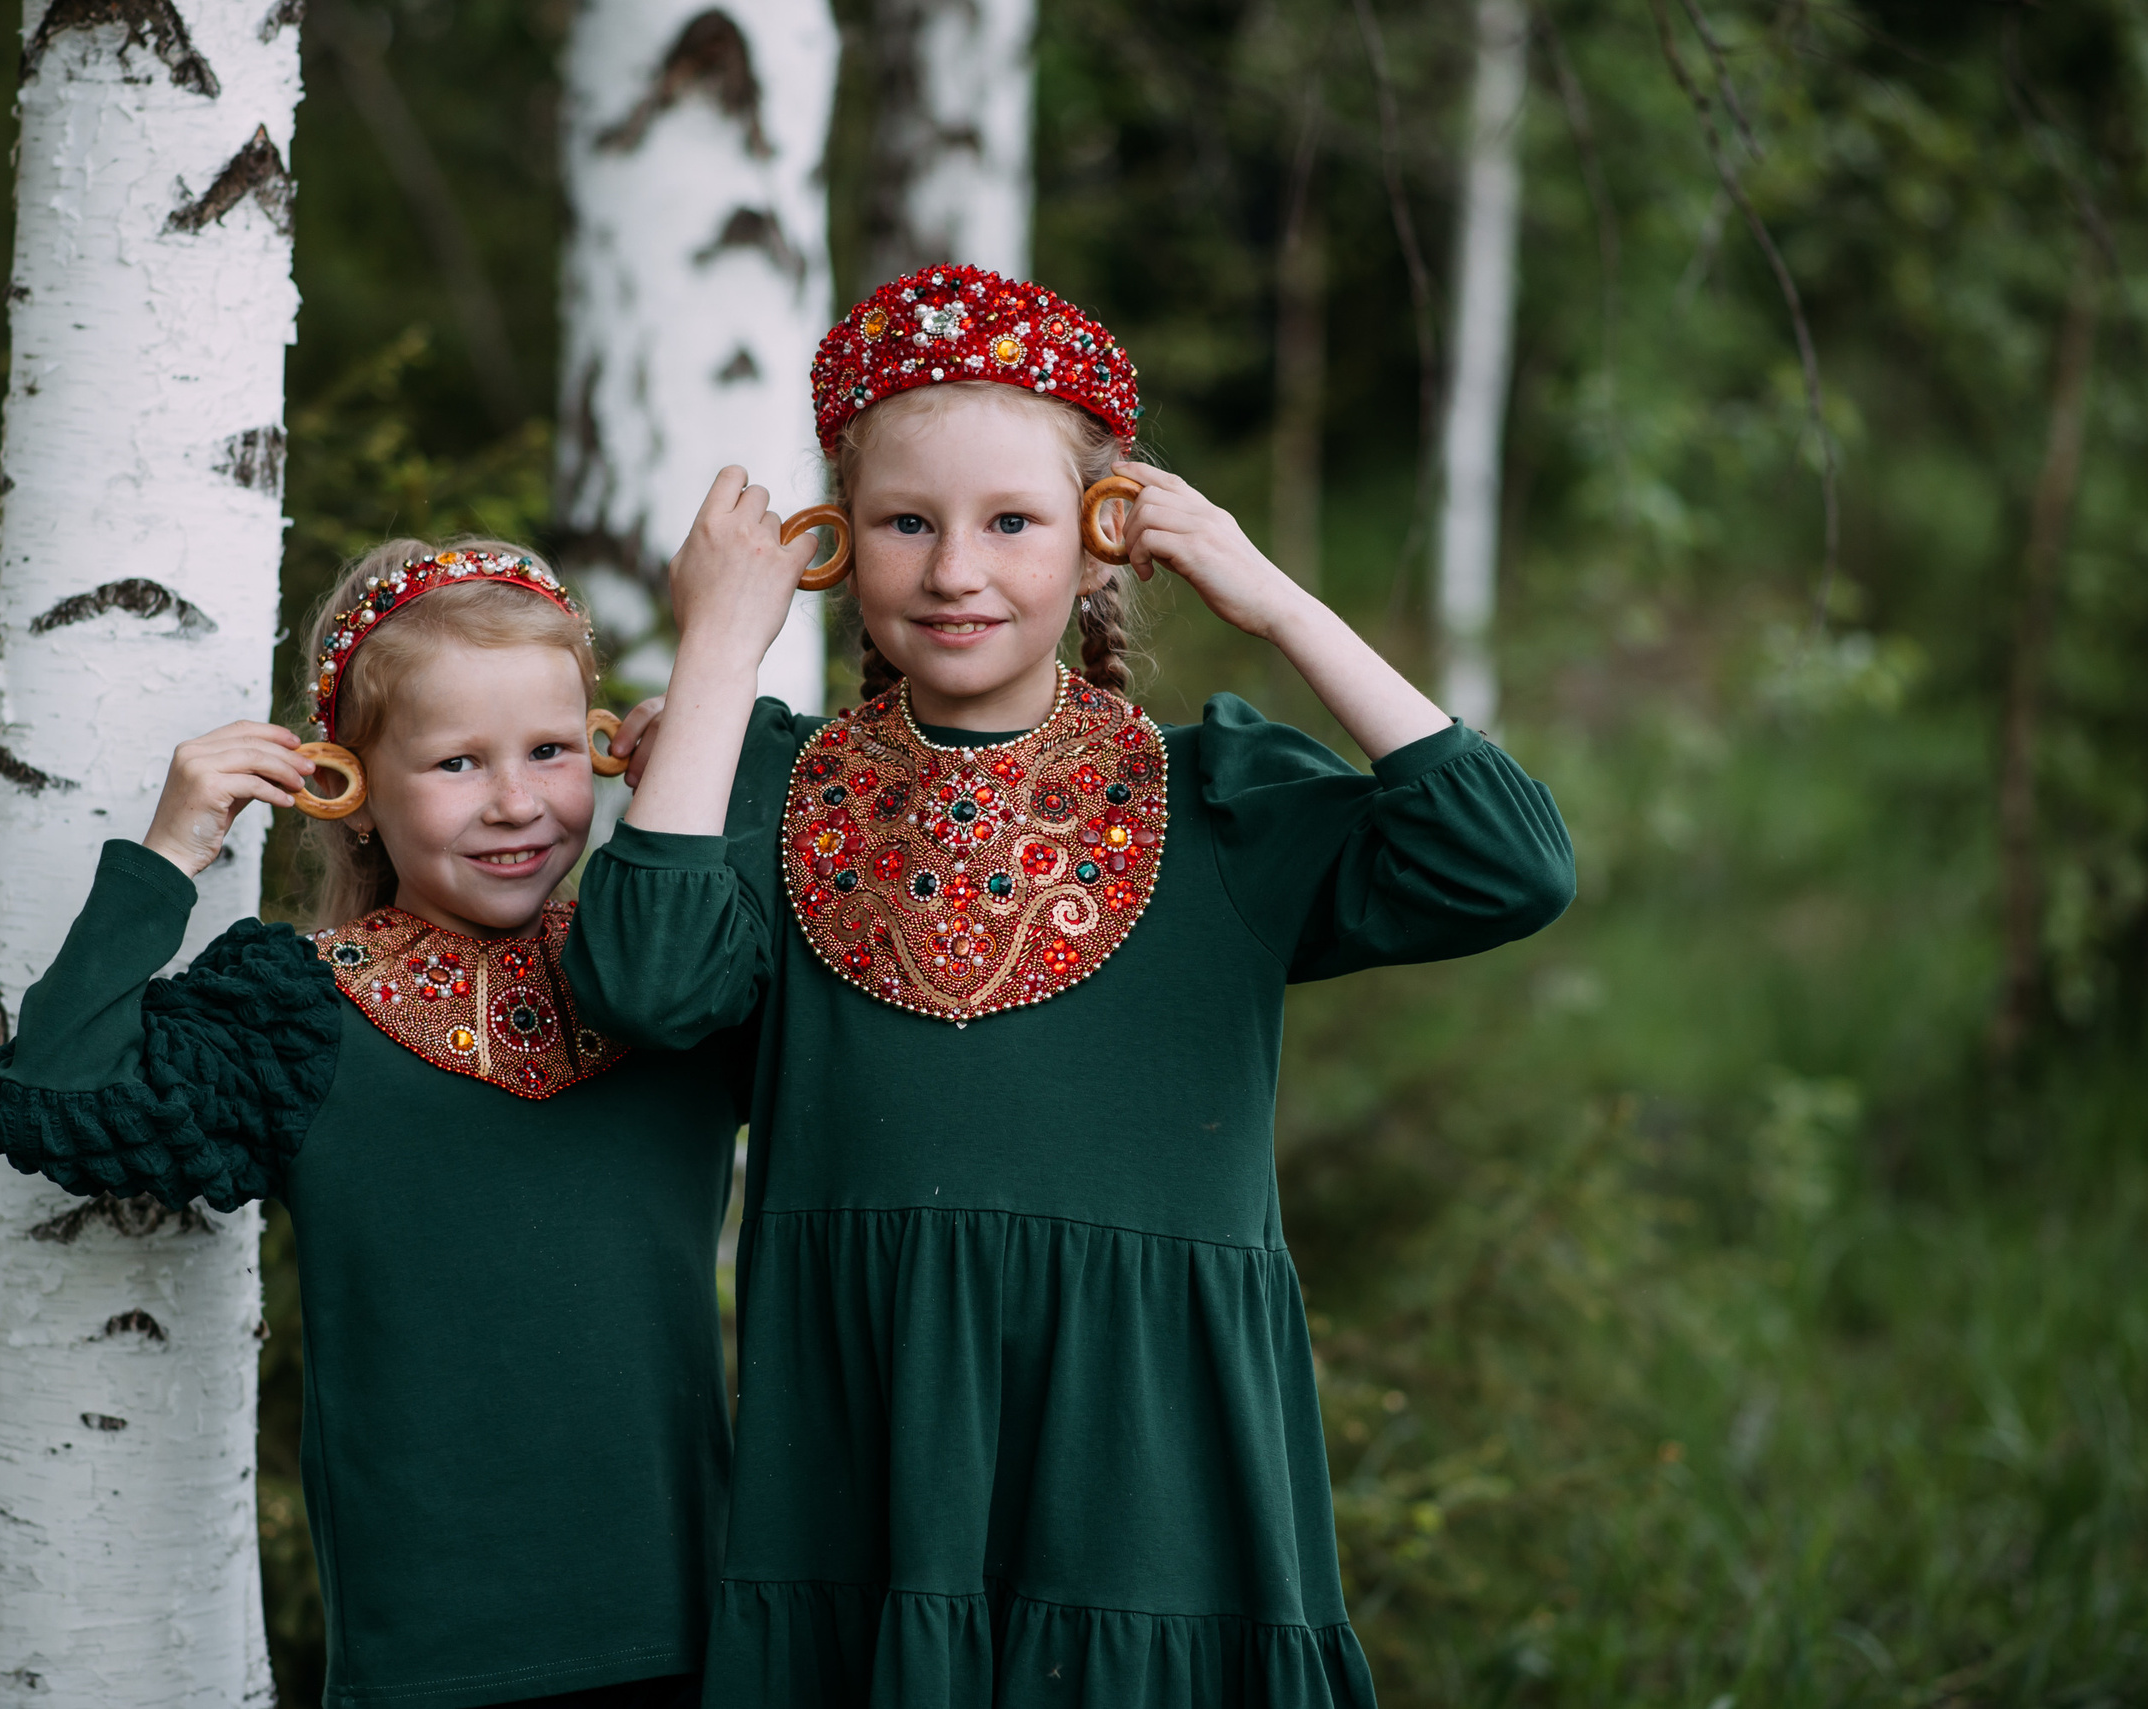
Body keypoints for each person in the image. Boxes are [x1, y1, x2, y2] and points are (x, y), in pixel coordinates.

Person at [562, 265, 1577, 1706]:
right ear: (837, 546)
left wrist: (1270, 596)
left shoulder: (1215, 799)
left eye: (1013, 523)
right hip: (874, 1456)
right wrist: (721, 649)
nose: (956, 570)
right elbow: (647, 988)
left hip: (1151, 1467)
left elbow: (1510, 864)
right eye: (906, 524)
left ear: (1104, 542)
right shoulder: (774, 789)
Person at [0, 540, 737, 1709]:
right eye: (454, 762)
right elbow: (58, 1094)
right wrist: (172, 843)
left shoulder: (678, 970)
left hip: (710, 1621)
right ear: (353, 788)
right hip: (436, 1654)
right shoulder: (301, 1012)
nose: (516, 801)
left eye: (548, 750)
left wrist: (718, 755)